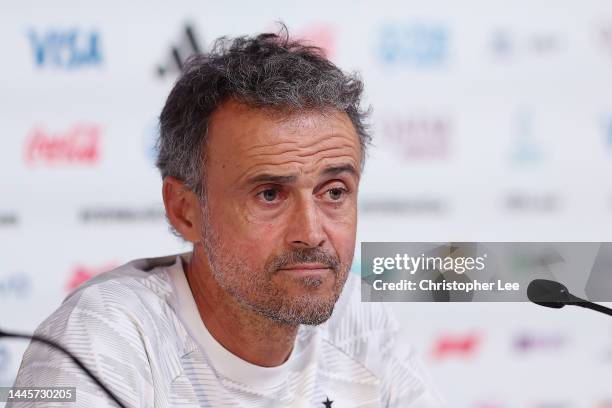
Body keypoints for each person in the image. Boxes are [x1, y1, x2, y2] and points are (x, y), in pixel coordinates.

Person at [9, 26, 444, 407]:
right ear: (184, 211)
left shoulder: (359, 320)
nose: (311, 233)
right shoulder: (105, 337)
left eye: (334, 192)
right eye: (270, 194)